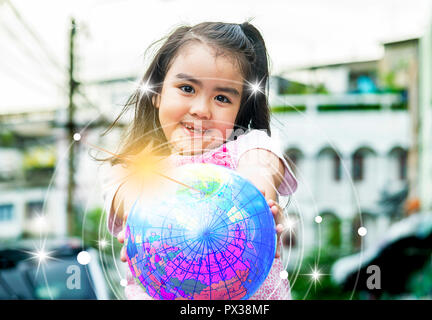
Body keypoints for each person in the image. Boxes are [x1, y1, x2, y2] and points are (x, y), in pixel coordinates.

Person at [99, 21, 298, 300]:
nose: (201, 110)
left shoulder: (247, 148)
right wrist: (144, 225)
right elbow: (125, 195)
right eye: (187, 88)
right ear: (156, 93)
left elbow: (262, 165)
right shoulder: (134, 169)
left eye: (221, 98)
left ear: (239, 110)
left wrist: (257, 198)